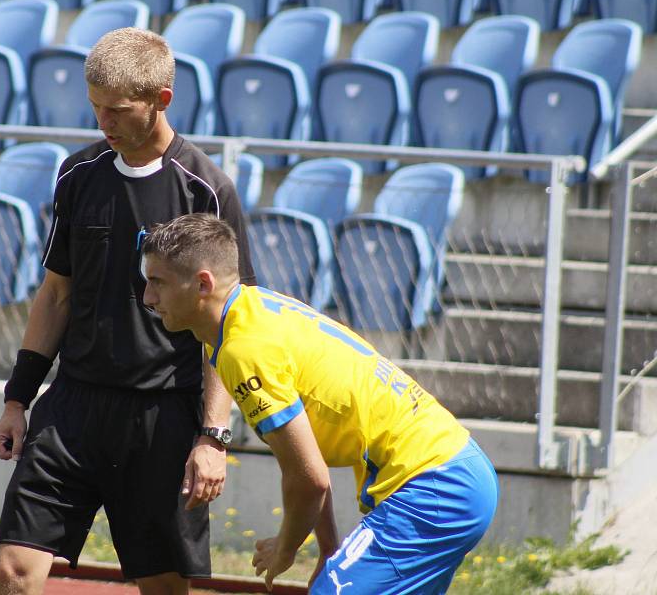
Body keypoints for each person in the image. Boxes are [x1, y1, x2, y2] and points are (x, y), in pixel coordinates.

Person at [0, 28, 255, 595]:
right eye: (94, 108)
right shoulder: (77, 174)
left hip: (163, 415)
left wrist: (213, 436)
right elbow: (56, 293)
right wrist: (17, 400)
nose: (102, 122)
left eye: (117, 110)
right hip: (74, 407)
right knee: (12, 569)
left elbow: (229, 325)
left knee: (161, 586)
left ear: (161, 100)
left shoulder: (208, 190)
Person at [141, 213, 499, 594]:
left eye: (157, 283)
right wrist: (328, 548)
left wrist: (286, 547)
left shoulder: (245, 350)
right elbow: (307, 460)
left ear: (202, 284)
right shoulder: (248, 313)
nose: (148, 298)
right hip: (457, 473)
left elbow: (309, 479)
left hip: (435, 485)